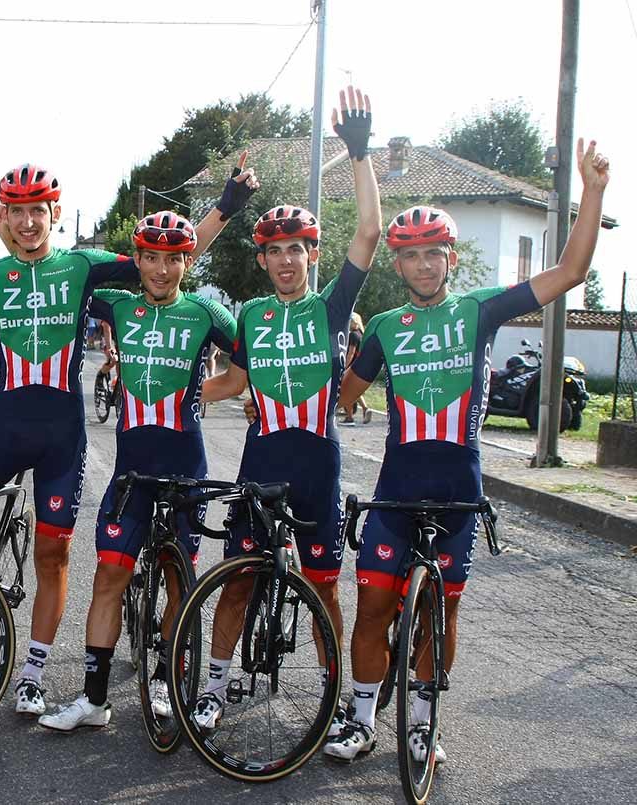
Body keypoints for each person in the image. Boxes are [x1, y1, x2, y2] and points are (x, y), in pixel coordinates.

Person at [0, 159, 258, 716]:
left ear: (55, 212)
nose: (28, 222)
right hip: (2, 434)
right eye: (17, 212)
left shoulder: (82, 268)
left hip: (62, 441)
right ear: (5, 216)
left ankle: (33, 673)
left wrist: (224, 208)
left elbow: (166, 253)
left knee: (53, 554)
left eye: (38, 211)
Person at [326, 138, 610, 764]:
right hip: (397, 490)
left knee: (442, 615)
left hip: (459, 490)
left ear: (450, 258)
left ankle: (424, 723)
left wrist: (591, 193)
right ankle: (363, 717)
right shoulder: (383, 328)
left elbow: (570, 273)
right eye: (411, 255)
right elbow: (343, 396)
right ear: (397, 265)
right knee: (372, 608)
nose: (424, 265)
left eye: (433, 253)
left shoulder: (480, 310)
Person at [198, 86, 381, 737]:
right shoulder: (249, 313)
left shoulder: (331, 307)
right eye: (273, 250)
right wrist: (181, 394)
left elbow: (369, 232)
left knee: (324, 586)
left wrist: (358, 152)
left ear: (312, 254)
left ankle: (336, 699)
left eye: (295, 248)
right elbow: (234, 380)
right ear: (262, 259)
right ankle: (212, 688)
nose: (284, 259)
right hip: (263, 458)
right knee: (237, 581)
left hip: (316, 464)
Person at [37, 211, 240, 731]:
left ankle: (168, 681)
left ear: (188, 262)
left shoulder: (207, 313)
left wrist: (237, 394)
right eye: (150, 258)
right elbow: (68, 269)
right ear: (138, 260)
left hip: (186, 468)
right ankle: (94, 701)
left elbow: (253, 360)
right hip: (132, 472)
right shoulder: (118, 304)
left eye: (173, 259)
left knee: (177, 580)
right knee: (109, 574)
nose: (161, 270)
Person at [341, 312, 369, 423]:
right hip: (360, 365)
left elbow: (351, 352)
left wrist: (345, 366)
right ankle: (365, 408)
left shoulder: (353, 335)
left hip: (352, 365)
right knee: (354, 391)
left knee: (345, 390)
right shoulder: (362, 335)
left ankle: (349, 416)